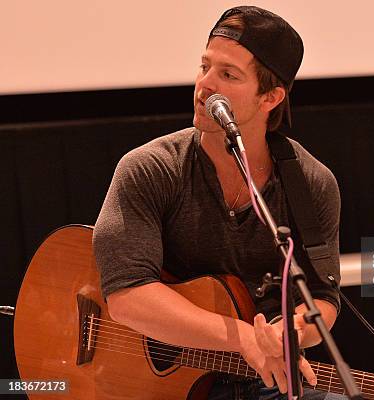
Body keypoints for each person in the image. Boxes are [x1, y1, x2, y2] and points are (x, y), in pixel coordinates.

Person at [93, 5, 345, 399]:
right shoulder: (150, 168)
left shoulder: (311, 183)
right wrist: (244, 338)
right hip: (164, 387)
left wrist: (289, 333)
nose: (205, 85)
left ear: (271, 97)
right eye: (204, 66)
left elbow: (324, 298)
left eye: (228, 75)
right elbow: (127, 296)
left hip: (262, 382)